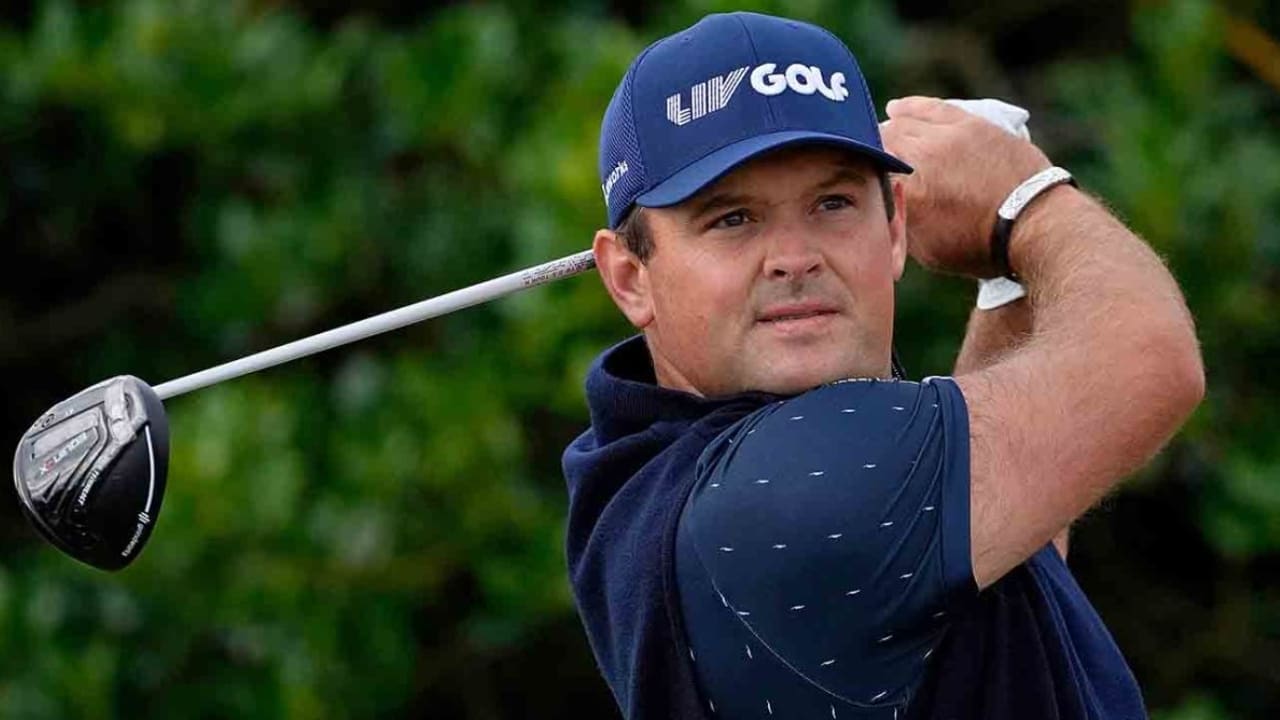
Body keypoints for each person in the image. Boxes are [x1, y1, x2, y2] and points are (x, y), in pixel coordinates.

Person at [562, 11, 1203, 720]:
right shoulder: (775, 494)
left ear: (894, 224)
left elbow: (1012, 520)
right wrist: (1028, 197)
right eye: (732, 219)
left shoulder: (657, 468)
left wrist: (1006, 273)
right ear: (629, 277)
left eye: (833, 202)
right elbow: (1152, 358)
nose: (795, 258)